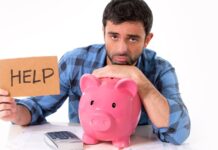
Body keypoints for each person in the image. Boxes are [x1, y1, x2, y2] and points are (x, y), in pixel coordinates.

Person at [0, 0, 190, 145]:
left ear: (147, 39)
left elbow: (178, 132)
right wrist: (16, 112)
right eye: (114, 36)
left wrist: (139, 80)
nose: (121, 48)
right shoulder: (75, 61)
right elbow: (36, 108)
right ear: (104, 32)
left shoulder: (160, 69)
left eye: (132, 39)